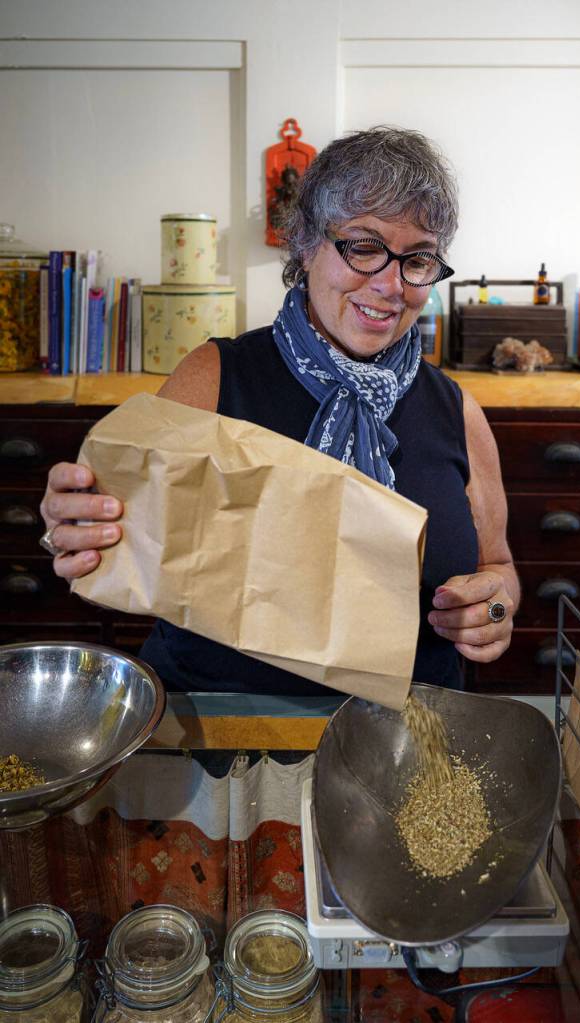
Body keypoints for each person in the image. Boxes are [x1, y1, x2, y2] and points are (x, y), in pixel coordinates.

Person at [39, 127, 520, 696]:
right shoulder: (215, 379)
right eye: (364, 247)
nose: (392, 285)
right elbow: (115, 531)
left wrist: (492, 610)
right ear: (307, 243)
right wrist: (73, 528)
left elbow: (499, 568)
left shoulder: (456, 411)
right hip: (224, 732)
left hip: (402, 741)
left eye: (417, 259)